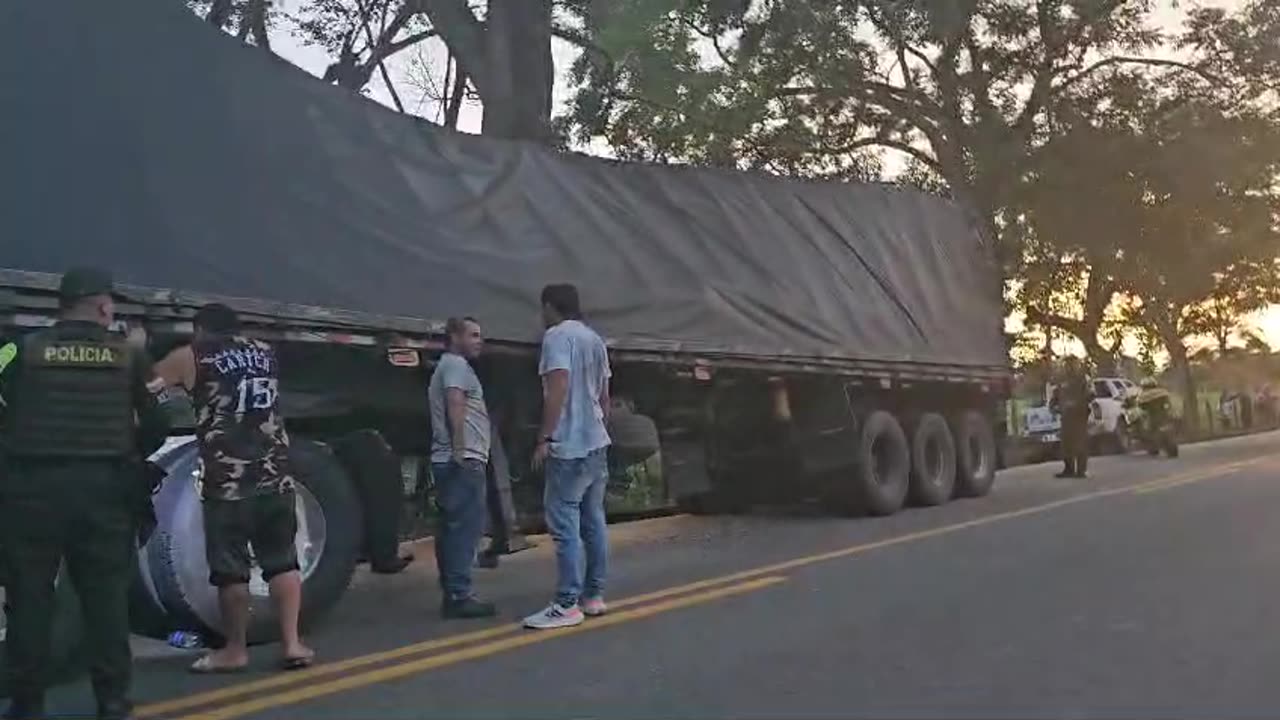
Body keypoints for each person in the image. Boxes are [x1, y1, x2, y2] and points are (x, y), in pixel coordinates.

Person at [0, 267, 169, 720]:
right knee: (106, 600)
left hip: (31, 492)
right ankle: (111, 700)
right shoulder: (131, 357)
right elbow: (159, 423)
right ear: (102, 306)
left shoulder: (19, 349)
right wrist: (130, 453)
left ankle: (26, 702)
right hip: (104, 493)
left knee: (30, 600)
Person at [152, 303, 313, 673]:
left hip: (228, 482)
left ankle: (235, 649)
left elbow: (146, 388)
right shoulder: (263, 353)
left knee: (231, 570)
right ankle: (292, 643)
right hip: (275, 476)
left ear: (199, 329)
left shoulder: (192, 355)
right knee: (282, 560)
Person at [524, 284, 612, 630]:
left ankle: (565, 604)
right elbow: (605, 396)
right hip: (596, 442)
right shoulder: (594, 339)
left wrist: (546, 435)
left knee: (565, 525)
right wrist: (599, 429)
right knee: (593, 520)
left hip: (570, 445)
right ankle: (593, 596)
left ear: (550, 306)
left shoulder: (556, 337)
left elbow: (558, 385)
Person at [427, 317, 497, 619]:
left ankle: (453, 591)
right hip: (463, 458)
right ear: (455, 337)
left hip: (456, 458)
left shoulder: (449, 365)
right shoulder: (455, 365)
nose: (479, 341)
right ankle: (459, 594)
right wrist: (459, 448)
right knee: (464, 529)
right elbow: (455, 403)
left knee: (452, 528)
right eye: (474, 335)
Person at [1050, 358, 1091, 479]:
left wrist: (1078, 404)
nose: (1068, 367)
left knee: (1080, 444)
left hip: (1079, 416)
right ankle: (1068, 469)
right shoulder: (1061, 380)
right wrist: (1053, 406)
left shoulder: (1082, 379)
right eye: (1066, 364)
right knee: (1066, 444)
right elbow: (1056, 395)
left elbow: (1090, 394)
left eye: (1071, 364)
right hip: (1066, 417)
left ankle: (1081, 471)